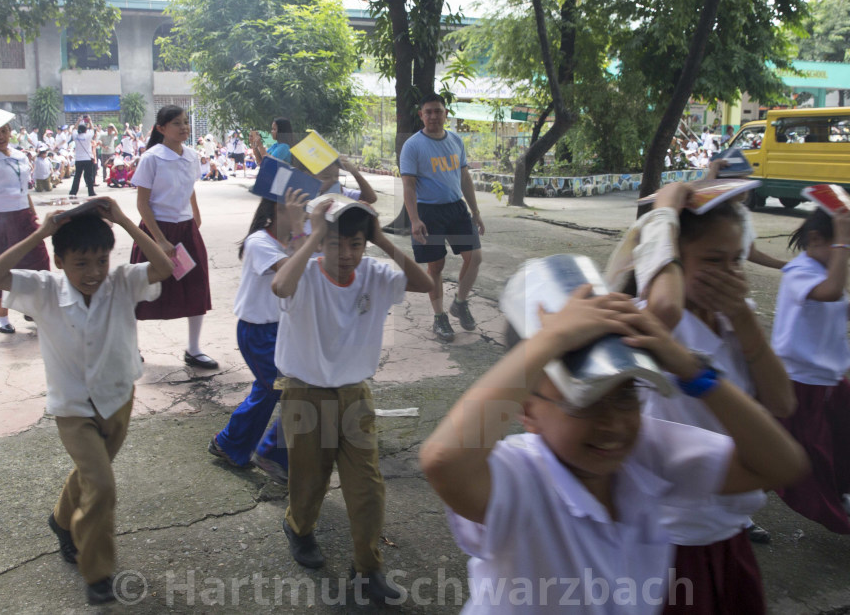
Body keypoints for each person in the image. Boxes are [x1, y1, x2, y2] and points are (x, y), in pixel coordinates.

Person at [420, 279, 807, 614]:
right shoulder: (521, 476)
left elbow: (781, 465)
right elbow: (443, 460)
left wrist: (692, 369)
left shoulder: (646, 455)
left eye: (626, 395)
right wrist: (552, 339)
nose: (613, 425)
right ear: (527, 410)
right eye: (583, 400)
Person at [0, 198, 174, 605]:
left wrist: (122, 219)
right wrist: (41, 232)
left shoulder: (122, 281)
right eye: (81, 263)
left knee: (90, 473)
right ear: (60, 260)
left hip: (118, 398)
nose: (93, 273)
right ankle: (98, 571)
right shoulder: (44, 288)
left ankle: (59, 520)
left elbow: (164, 268)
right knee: (101, 485)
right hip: (72, 408)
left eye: (101, 260)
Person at [637, 182, 796, 610]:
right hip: (671, 535)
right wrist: (665, 214)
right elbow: (664, 307)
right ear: (675, 261)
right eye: (711, 261)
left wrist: (744, 319)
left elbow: (782, 403)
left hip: (728, 526)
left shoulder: (735, 321)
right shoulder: (649, 323)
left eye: (735, 260)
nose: (727, 273)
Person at [271, 199, 433, 605]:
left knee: (367, 487)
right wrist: (312, 236)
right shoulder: (305, 273)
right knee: (309, 480)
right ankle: (299, 527)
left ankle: (368, 569)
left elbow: (425, 284)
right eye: (337, 244)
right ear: (323, 242)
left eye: (356, 245)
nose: (346, 255)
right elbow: (279, 286)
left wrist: (381, 238)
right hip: (304, 391)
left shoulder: (374, 274)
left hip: (354, 393)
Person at [772, 209, 850, 534]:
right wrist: (843, 248)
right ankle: (740, 508)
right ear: (817, 239)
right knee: (802, 456)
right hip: (801, 382)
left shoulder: (827, 270)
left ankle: (842, 492)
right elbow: (830, 292)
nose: (849, 254)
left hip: (831, 380)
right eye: (845, 245)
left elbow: (832, 311)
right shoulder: (799, 272)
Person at [207, 189, 310, 483]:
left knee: (268, 390)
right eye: (292, 209)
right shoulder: (259, 242)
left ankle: (229, 443)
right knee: (292, 389)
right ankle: (271, 454)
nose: (299, 214)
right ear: (273, 212)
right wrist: (305, 235)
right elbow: (292, 270)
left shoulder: (294, 242)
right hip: (258, 333)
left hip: (282, 331)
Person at [131, 104, 217, 368]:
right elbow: (143, 204)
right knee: (141, 288)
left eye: (185, 122)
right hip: (157, 230)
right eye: (177, 123)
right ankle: (130, 348)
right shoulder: (152, 158)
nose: (184, 128)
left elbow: (189, 188)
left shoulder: (191, 156)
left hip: (186, 228)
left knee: (197, 284)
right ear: (161, 129)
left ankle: (193, 349)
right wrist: (159, 239)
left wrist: (195, 215)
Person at [400, 94, 484, 343]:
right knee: (435, 267)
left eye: (438, 111)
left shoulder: (456, 140)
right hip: (428, 212)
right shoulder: (413, 146)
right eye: (429, 112)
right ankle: (439, 319)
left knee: (475, 257)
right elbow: (408, 186)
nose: (434, 116)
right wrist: (414, 220)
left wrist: (476, 212)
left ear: (446, 113)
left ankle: (459, 302)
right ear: (421, 115)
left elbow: (465, 179)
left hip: (456, 208)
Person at [0, 118, 50, 334]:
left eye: (4, 131)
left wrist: (33, 214)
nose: (1, 136)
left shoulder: (19, 155)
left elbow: (23, 188)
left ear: (11, 132)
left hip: (22, 215)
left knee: (39, 261)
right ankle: (2, 315)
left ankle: (32, 308)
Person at [69, 123, 97, 198]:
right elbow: (92, 129)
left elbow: (74, 129)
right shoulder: (87, 136)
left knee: (77, 176)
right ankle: (91, 192)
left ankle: (73, 191)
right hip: (87, 158)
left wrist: (78, 121)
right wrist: (90, 120)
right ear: (85, 130)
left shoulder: (75, 136)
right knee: (89, 176)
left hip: (78, 159)